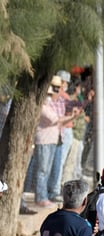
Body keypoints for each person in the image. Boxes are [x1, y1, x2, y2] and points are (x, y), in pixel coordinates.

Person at [24, 75, 81, 206]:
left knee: (47, 170)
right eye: (53, 90)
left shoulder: (49, 104)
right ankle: (41, 198)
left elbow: (59, 121)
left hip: (52, 140)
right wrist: (71, 116)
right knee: (42, 171)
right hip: (43, 141)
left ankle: (44, 196)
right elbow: (54, 119)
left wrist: (72, 117)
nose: (54, 94)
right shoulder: (42, 106)